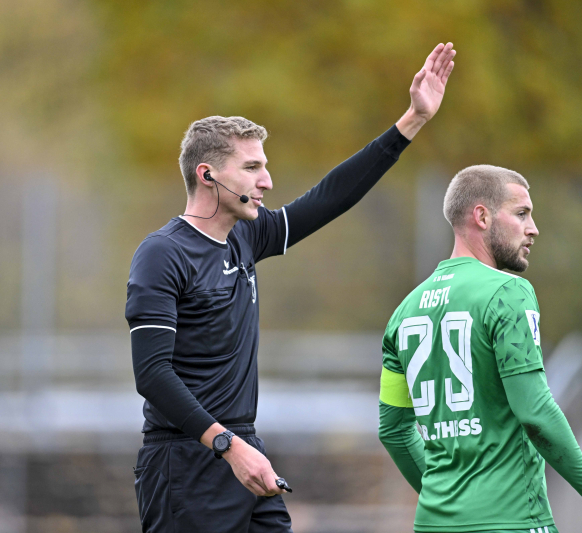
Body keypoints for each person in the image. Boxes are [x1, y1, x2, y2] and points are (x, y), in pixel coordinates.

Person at [125, 43, 456, 532]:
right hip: (187, 463)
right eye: (252, 168)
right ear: (208, 175)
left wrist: (411, 121)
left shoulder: (247, 235)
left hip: (243, 451)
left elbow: (330, 196)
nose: (268, 180)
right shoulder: (161, 254)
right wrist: (226, 446)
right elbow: (152, 374)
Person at [378, 165, 582, 533]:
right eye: (522, 213)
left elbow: (394, 431)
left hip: (434, 523)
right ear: (482, 216)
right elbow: (536, 411)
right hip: (510, 521)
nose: (533, 228)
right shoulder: (509, 292)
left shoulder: (403, 312)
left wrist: (445, 499)